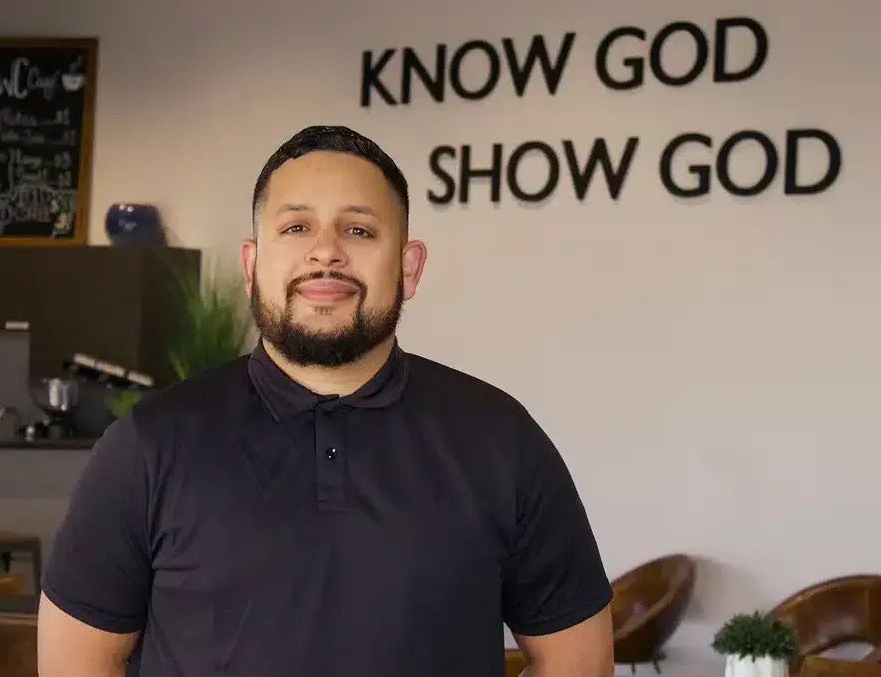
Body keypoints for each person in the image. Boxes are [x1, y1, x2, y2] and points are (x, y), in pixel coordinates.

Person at [36, 125, 615, 677]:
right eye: (295, 229)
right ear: (251, 264)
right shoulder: (149, 444)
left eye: (359, 231)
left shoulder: (500, 439)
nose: (326, 253)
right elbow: (77, 660)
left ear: (409, 268)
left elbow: (579, 661)